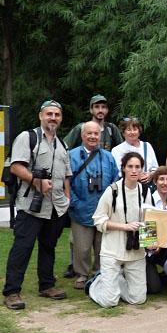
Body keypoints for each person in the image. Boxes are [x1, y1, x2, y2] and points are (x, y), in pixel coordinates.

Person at [2, 99, 72, 310]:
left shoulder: (62, 144)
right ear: (41, 116)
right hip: (30, 205)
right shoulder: (28, 137)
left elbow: (66, 175)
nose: (53, 118)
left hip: (56, 207)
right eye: (49, 114)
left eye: (57, 115)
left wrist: (67, 197)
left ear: (61, 118)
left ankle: (47, 285)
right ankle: (12, 292)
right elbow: (16, 167)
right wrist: (37, 182)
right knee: (22, 247)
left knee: (48, 247)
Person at [85, 152, 150, 308]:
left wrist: (150, 242)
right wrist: (124, 226)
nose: (134, 170)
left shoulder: (145, 191)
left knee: (138, 299)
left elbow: (149, 220)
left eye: (137, 167)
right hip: (112, 250)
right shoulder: (112, 190)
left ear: (141, 169)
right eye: (130, 166)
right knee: (109, 302)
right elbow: (98, 220)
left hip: (136, 251)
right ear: (123, 168)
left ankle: (114, 282)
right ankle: (96, 283)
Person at [67, 121, 119, 290]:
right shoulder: (71, 156)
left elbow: (116, 180)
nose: (92, 136)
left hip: (104, 210)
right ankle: (82, 274)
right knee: (82, 246)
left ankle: (99, 272)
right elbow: (66, 182)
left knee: (101, 245)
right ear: (82, 135)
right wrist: (75, 203)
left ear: (100, 136)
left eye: (96, 134)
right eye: (89, 133)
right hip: (81, 208)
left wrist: (111, 203)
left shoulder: (108, 156)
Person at [142, 167, 167, 294]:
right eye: (161, 179)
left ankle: (166, 274)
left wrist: (161, 243)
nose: (165, 183)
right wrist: (152, 244)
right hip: (146, 251)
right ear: (155, 182)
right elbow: (145, 226)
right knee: (155, 288)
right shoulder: (148, 200)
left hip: (164, 248)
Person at [111, 117, 158, 187]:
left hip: (146, 187)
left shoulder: (147, 146)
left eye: (135, 129)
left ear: (139, 132)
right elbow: (117, 173)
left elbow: (155, 168)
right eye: (129, 130)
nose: (132, 132)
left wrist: (150, 175)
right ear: (123, 133)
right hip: (126, 187)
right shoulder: (116, 150)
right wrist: (136, 176)